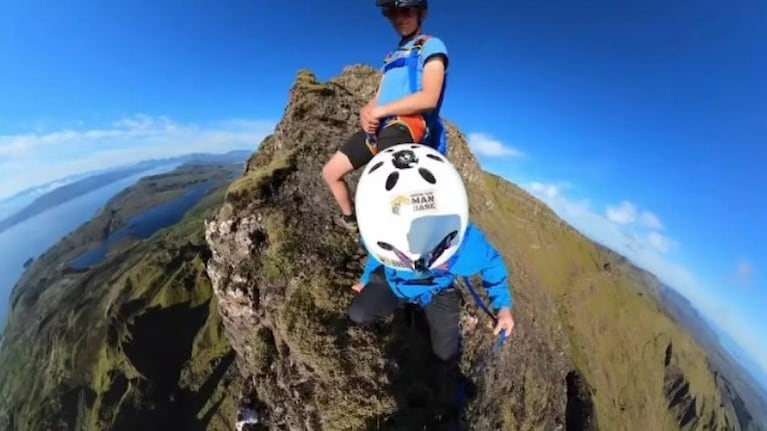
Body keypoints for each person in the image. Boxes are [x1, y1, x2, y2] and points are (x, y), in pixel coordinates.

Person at [347, 143, 516, 420]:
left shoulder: (467, 245)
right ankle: (408, 314)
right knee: (359, 312)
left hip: (435, 291)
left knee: (445, 357)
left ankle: (441, 393)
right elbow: (377, 253)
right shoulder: (456, 245)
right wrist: (367, 279)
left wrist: (504, 306)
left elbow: (493, 264)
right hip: (395, 283)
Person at [322, 0, 450, 234]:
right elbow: (379, 97)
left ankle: (404, 234)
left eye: (405, 11)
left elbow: (429, 98)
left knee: (384, 183)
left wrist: (380, 111)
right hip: (380, 125)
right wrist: (366, 111)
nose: (398, 18)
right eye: (392, 13)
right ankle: (352, 223)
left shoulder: (432, 46)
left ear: (421, 13)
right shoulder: (392, 57)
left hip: (409, 123)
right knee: (330, 173)